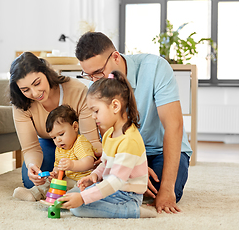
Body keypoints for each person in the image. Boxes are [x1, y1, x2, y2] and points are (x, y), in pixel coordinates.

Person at [74, 31, 192, 214]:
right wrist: (131, 169)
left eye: (98, 72)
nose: (95, 81)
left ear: (115, 57)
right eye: (89, 76)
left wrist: (165, 189)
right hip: (125, 152)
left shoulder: (156, 68)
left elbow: (174, 126)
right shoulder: (98, 85)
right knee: (96, 182)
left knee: (161, 192)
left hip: (160, 150)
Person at [59, 71, 156, 218]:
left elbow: (116, 181)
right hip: (112, 187)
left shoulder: (129, 140)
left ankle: (132, 210)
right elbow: (106, 163)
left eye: (96, 111)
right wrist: (94, 176)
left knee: (79, 208)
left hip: (126, 195)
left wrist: (84, 198)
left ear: (115, 106)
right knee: (71, 195)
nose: (93, 116)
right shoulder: (110, 133)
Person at [9, 52, 102, 189]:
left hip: (79, 143)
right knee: (33, 181)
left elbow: (90, 141)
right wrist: (32, 166)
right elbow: (31, 148)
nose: (35, 93)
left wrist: (100, 157)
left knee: (91, 173)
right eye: (25, 89)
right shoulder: (21, 104)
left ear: (46, 73)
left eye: (37, 83)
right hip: (49, 143)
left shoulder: (77, 90)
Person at [12, 104, 96, 201]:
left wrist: (72, 165)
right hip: (68, 179)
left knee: (77, 191)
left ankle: (66, 199)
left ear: (75, 127)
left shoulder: (80, 142)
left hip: (82, 181)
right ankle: (34, 193)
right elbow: (58, 166)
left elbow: (89, 162)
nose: (58, 140)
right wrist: (55, 173)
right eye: (54, 138)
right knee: (50, 184)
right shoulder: (60, 148)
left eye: (61, 134)